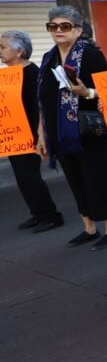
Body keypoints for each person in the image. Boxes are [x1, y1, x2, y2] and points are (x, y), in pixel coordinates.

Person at [36, 6, 107, 250]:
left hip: (89, 131)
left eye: (64, 26)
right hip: (60, 133)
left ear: (78, 29)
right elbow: (42, 100)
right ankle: (89, 227)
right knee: (75, 180)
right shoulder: (48, 58)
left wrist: (88, 92)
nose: (58, 31)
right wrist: (41, 134)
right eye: (52, 26)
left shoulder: (90, 54)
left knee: (97, 179)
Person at [1, 30, 63, 232]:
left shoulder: (33, 74)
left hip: (30, 135)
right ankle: (37, 214)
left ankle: (51, 216)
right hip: (13, 135)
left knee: (30, 176)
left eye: (3, 47)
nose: (0, 52)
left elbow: (41, 108)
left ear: (19, 51)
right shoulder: (8, 76)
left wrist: (40, 136)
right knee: (22, 176)